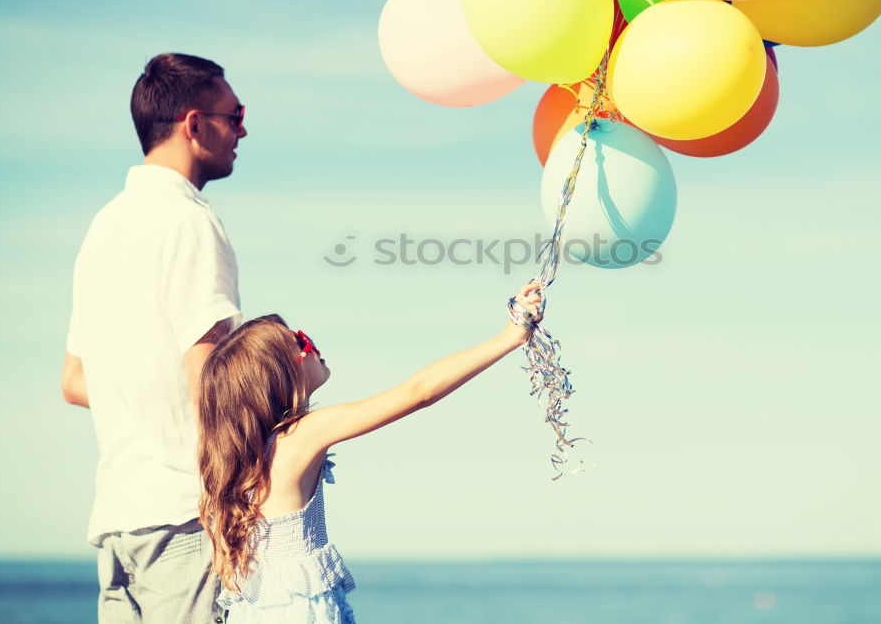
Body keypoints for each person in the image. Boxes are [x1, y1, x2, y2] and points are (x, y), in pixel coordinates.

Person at [197, 283, 545, 623]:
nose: (313, 346)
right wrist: (510, 336)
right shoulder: (302, 435)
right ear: (280, 373)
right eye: (301, 340)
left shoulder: (245, 463)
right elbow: (418, 392)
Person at [61, 53, 248, 623]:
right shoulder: (189, 221)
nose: (243, 128)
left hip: (118, 522)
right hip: (182, 517)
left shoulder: (104, 225)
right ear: (194, 124)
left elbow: (75, 380)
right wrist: (234, 500)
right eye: (234, 113)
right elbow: (206, 376)